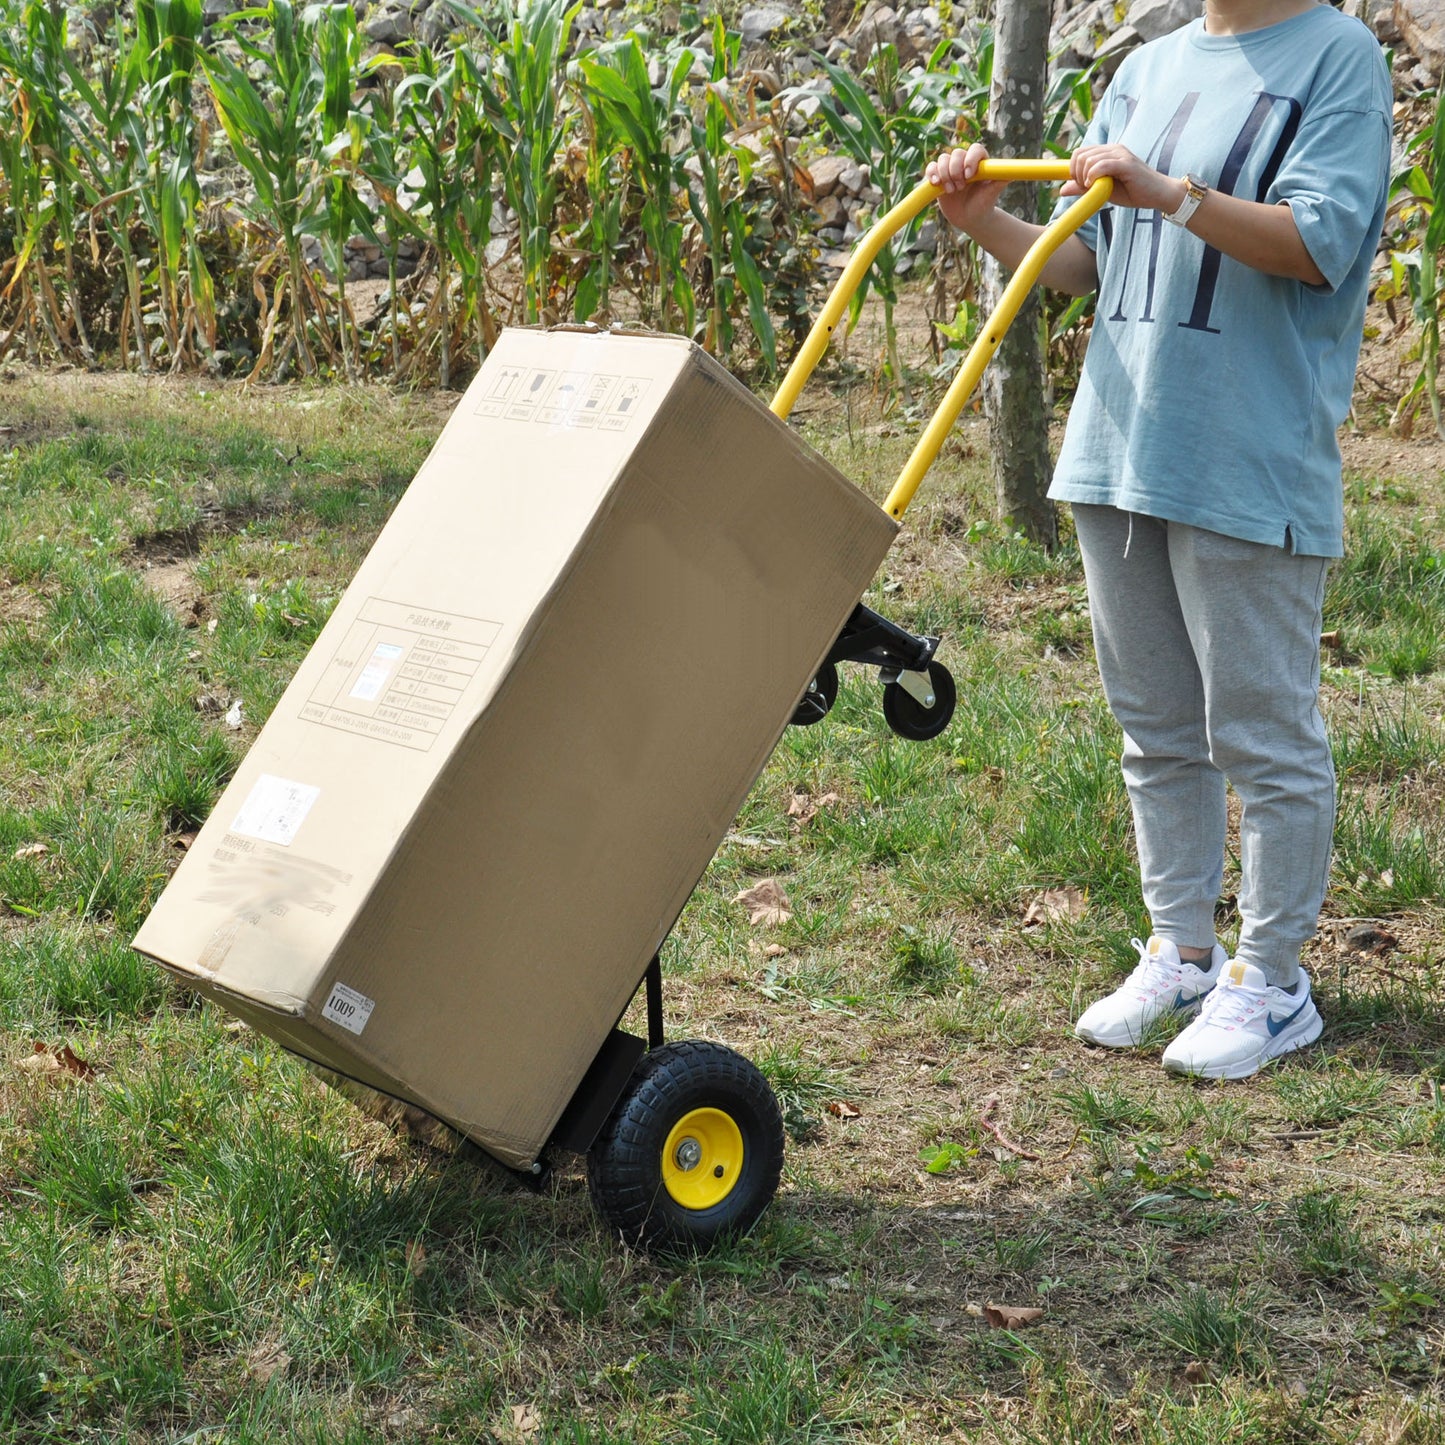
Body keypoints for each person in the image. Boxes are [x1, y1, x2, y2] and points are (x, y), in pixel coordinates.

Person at [925, 0, 1392, 1079]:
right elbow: (1090, 261)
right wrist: (987, 220)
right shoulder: (1147, 65)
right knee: (1154, 727)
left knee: (1260, 730)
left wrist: (1171, 193)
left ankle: (1271, 981)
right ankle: (1181, 949)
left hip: (1245, 448)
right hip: (1121, 442)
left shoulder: (1337, 58)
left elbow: (1317, 244)